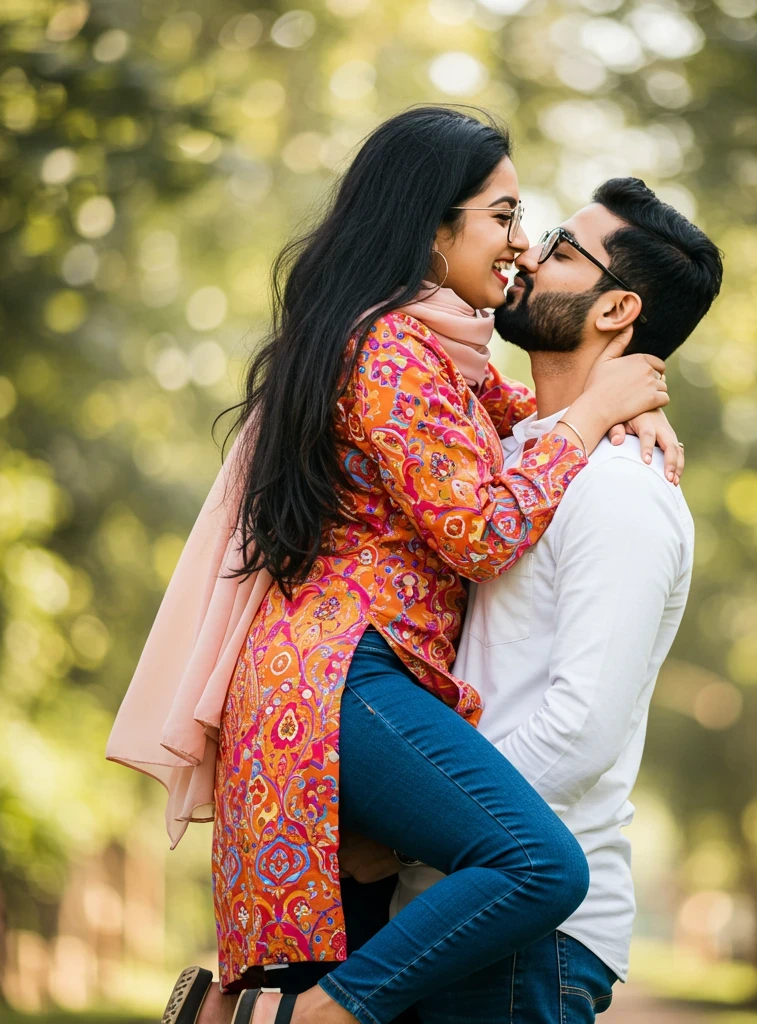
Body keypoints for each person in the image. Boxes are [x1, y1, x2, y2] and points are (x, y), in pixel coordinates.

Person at [109, 107, 684, 1024]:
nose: (520, 244)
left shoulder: (431, 352)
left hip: (348, 676)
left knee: (348, 936)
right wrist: (593, 413)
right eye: (503, 216)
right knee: (535, 864)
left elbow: (526, 423)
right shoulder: (388, 348)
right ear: (432, 224)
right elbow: (485, 530)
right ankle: (296, 1022)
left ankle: (261, 1009)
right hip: (345, 667)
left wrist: (627, 399)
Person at [335, 177, 723, 1023]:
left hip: (531, 935)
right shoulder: (521, 459)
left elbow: (577, 731)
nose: (526, 253)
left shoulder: (623, 491)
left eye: (559, 250)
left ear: (616, 310)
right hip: (455, 905)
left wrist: (412, 831)